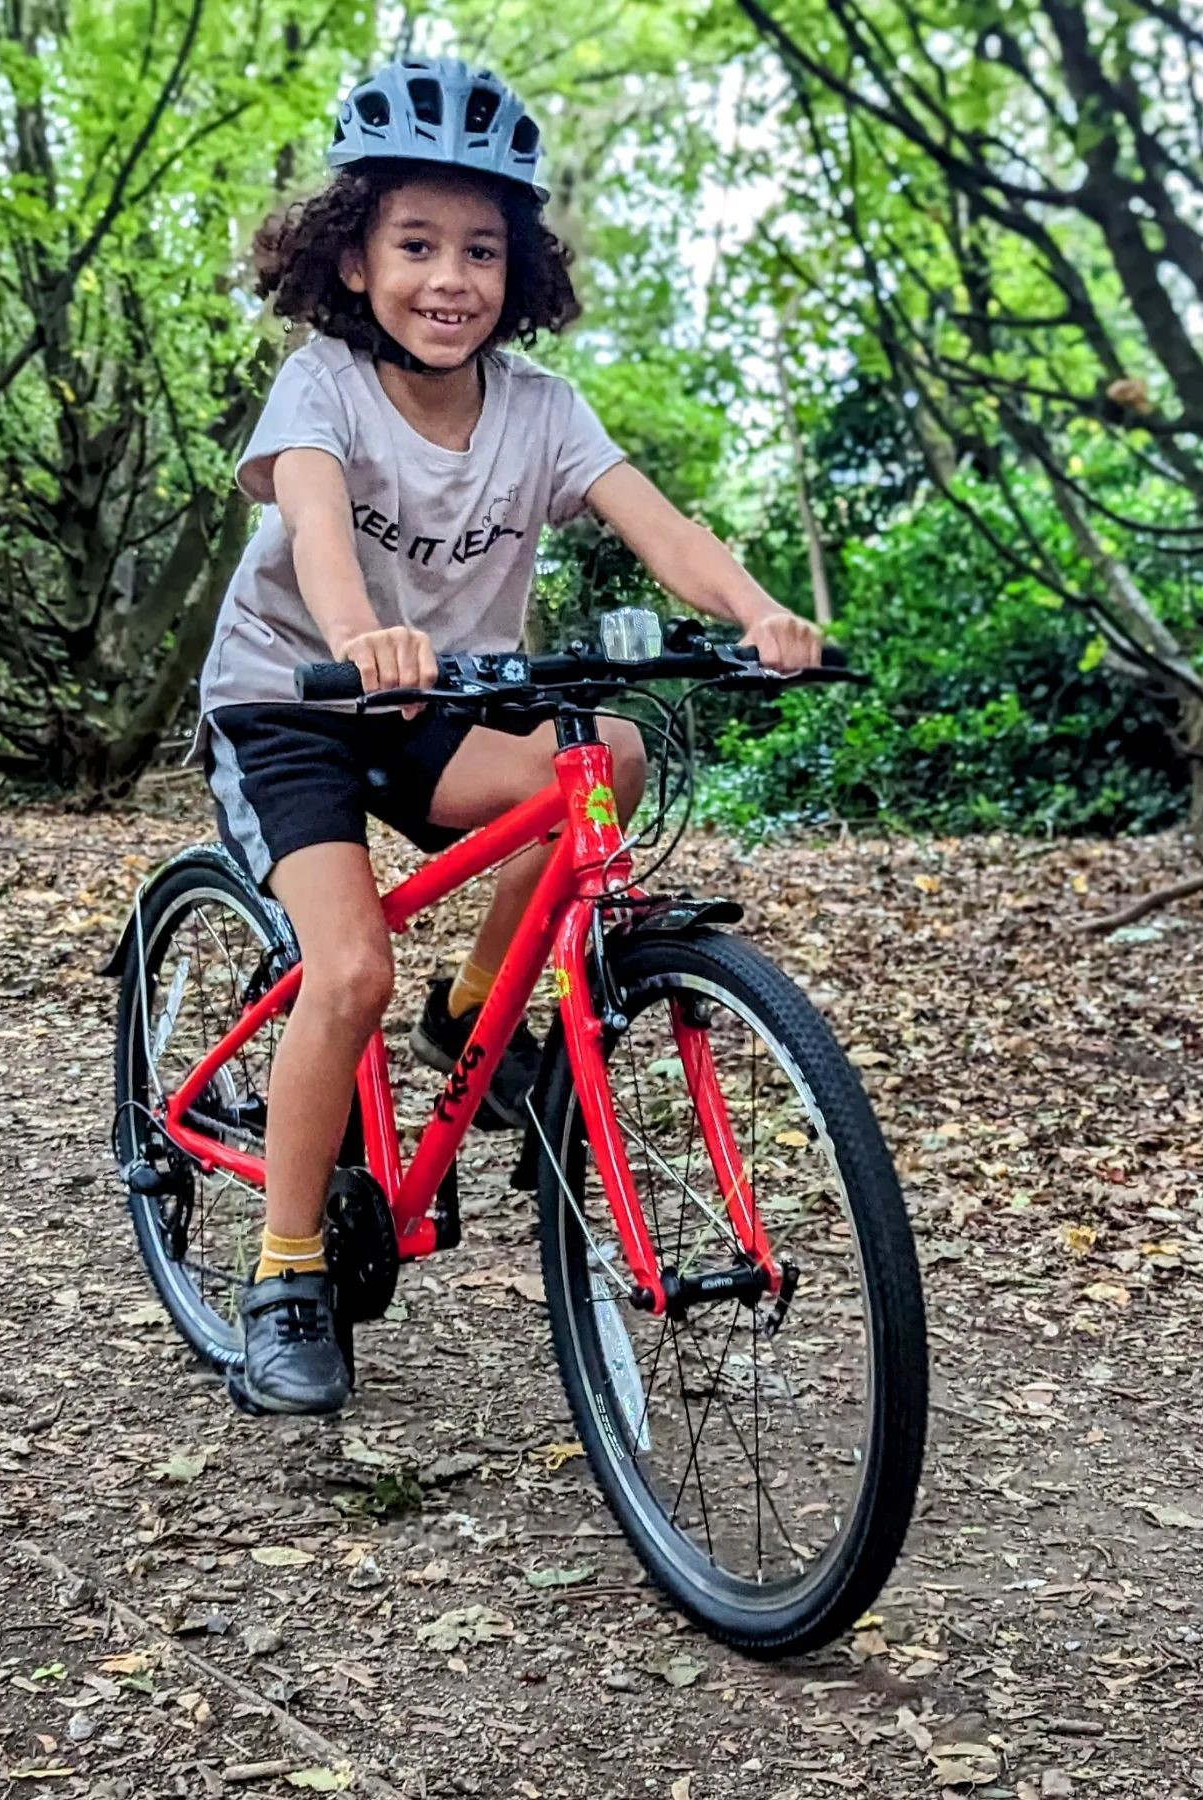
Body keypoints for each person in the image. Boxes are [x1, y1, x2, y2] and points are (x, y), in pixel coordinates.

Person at [197, 57, 823, 1415]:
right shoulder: (324, 387)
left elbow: (662, 526)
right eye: (415, 244)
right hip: (286, 707)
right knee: (347, 968)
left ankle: (475, 1019)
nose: (449, 277)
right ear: (353, 260)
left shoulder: (539, 409)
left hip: (435, 710)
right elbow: (312, 523)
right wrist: (363, 631)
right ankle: (287, 1270)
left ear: (519, 269)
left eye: (481, 250)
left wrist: (759, 611)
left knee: (607, 762)